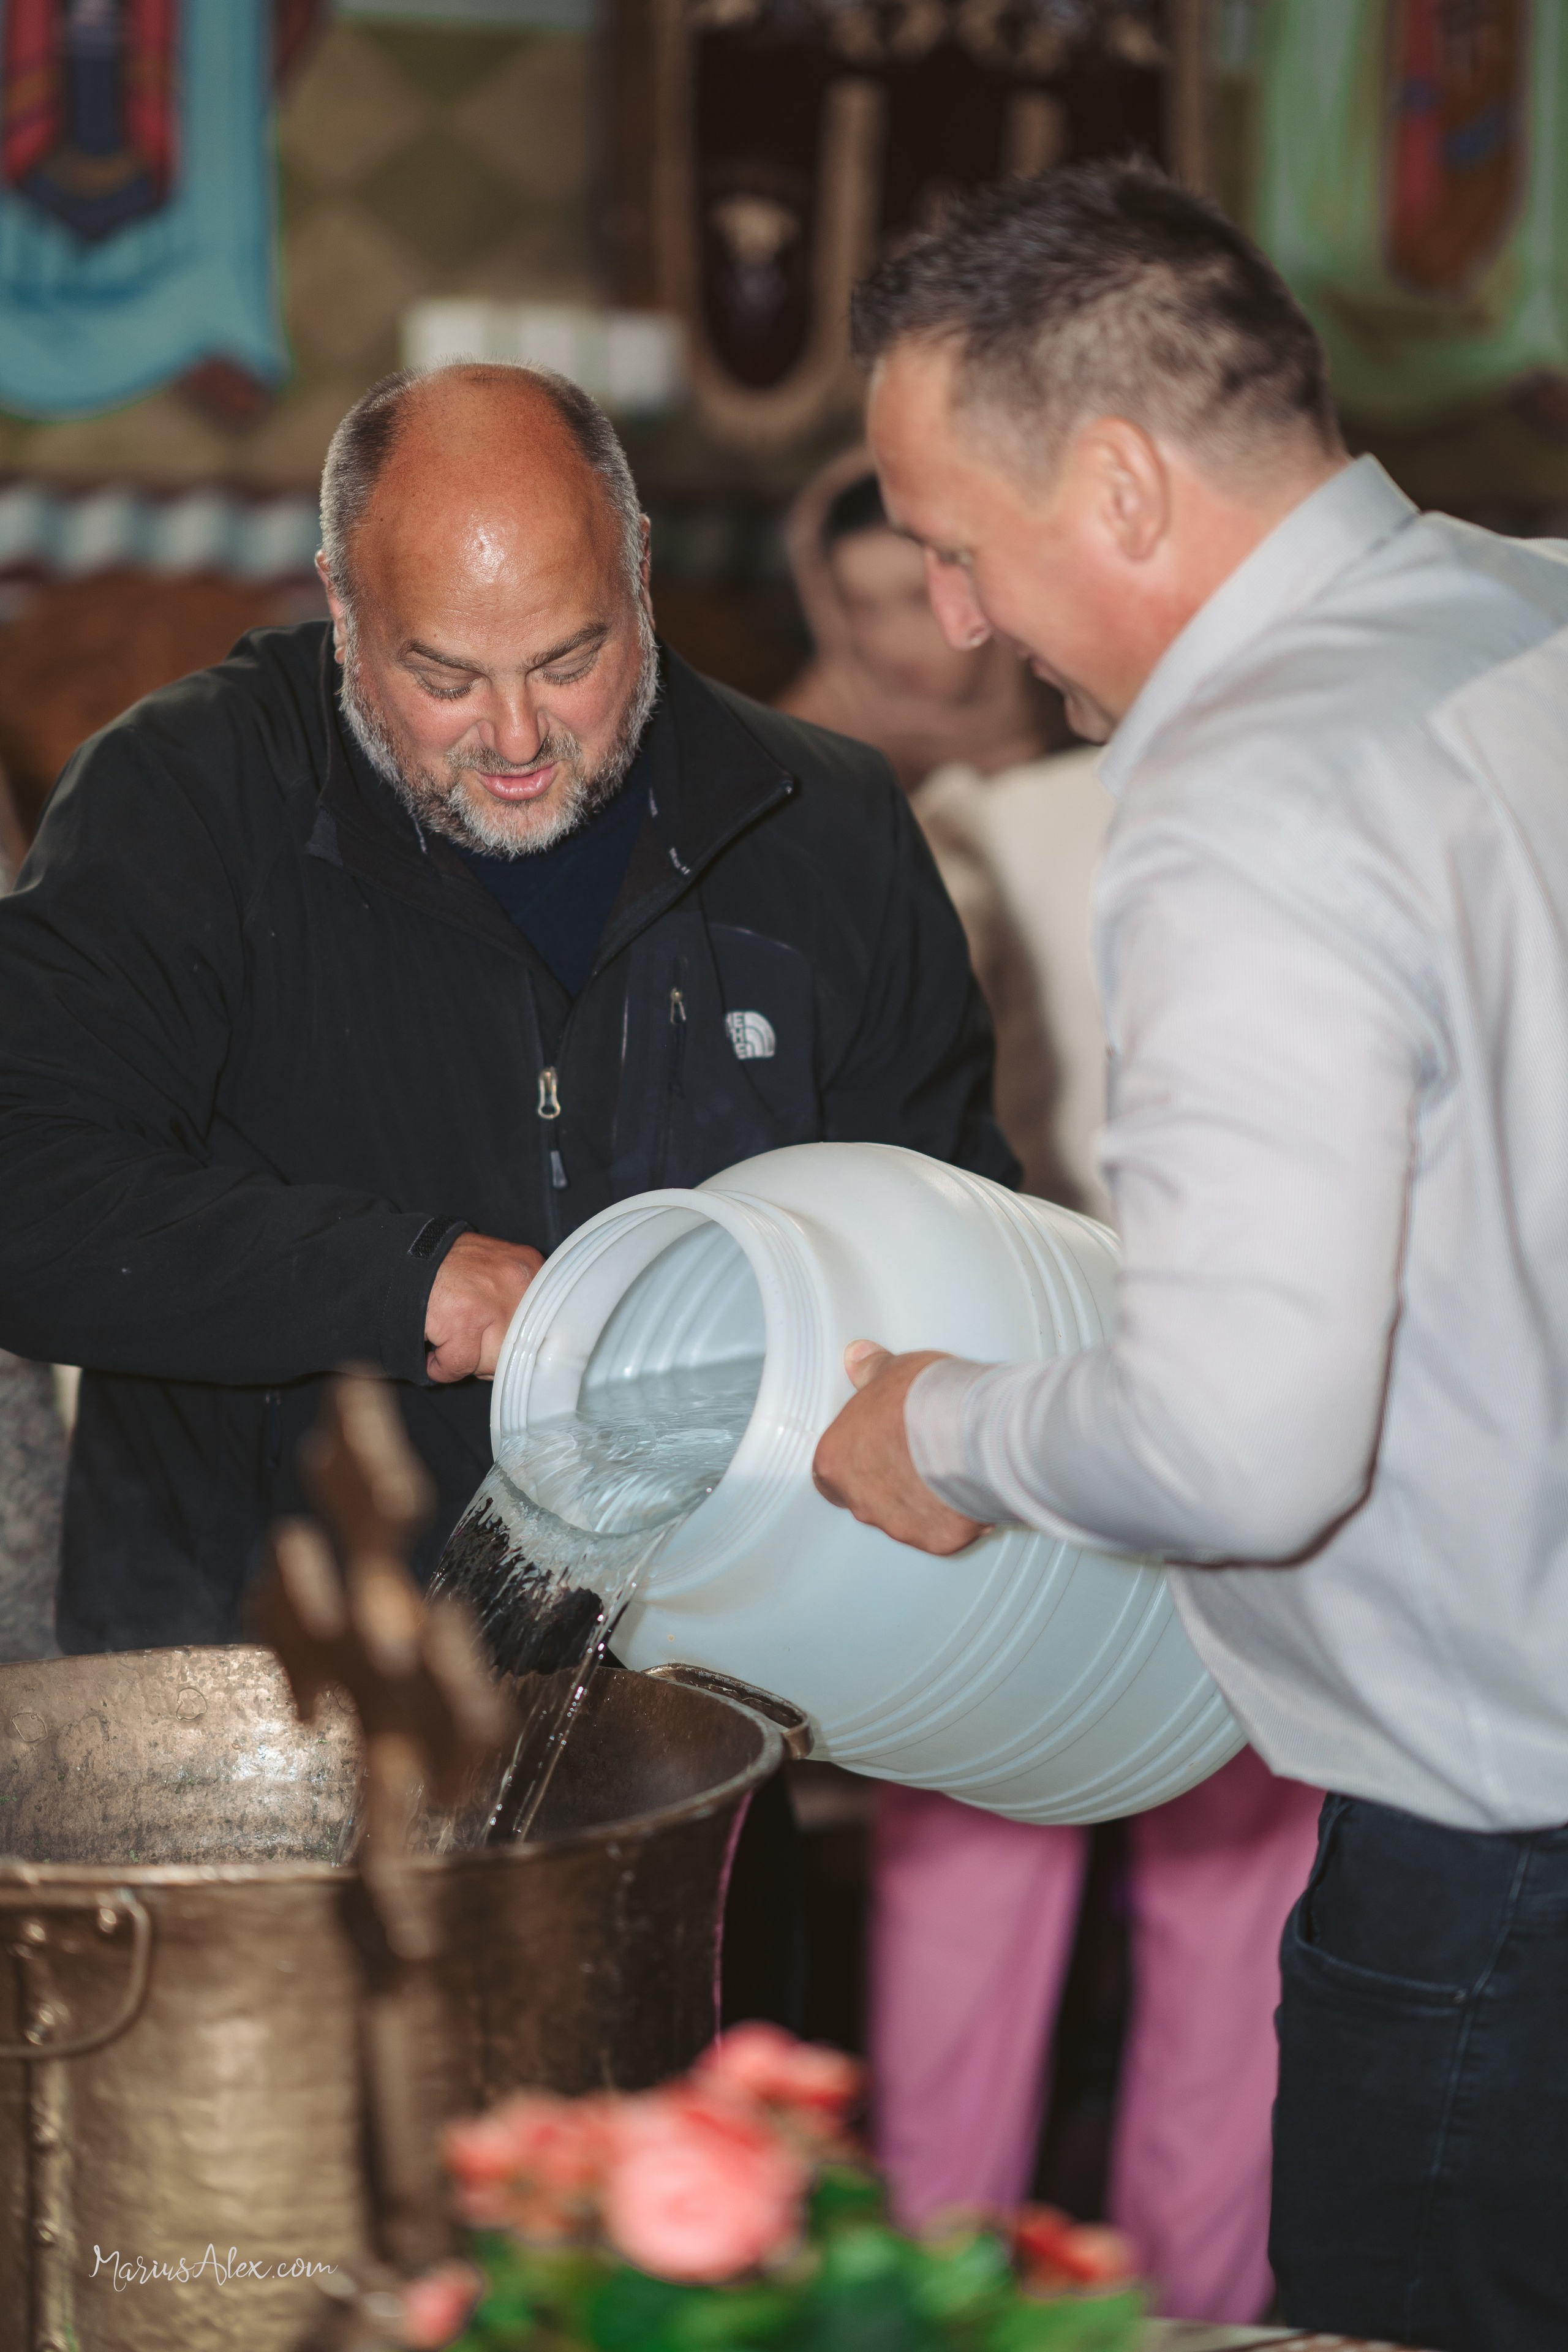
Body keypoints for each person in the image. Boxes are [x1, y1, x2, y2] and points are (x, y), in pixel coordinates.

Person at [814, 162, 1568, 2352]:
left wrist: (931, 1429)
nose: (951, 618)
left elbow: (1240, 1441)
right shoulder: (1530, 608)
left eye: (955, 543)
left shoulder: (1241, 784)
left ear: (1121, 483)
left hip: (1492, 1867)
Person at [0, 360, 1011, 1656]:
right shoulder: (185, 801)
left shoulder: (827, 831)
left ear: (637, 567)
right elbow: (24, 1193)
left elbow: (951, 1236)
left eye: (570, 658)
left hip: (704, 1688)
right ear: (339, 600)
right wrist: (401, 1283)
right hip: (256, 1700)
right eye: (443, 678)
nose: (519, 737)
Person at [880, 750, 1321, 2321]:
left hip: (1016, 1394)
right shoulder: (1335, 795)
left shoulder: (979, 819)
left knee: (988, 1909)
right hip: (1216, 1416)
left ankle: (928, 2304)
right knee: (1223, 1929)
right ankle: (1185, 2316)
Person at [777, 445, 1057, 792]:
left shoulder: (1079, 714)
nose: (896, 645)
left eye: (921, 600)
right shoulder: (797, 746)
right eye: (862, 608)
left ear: (989, 581)